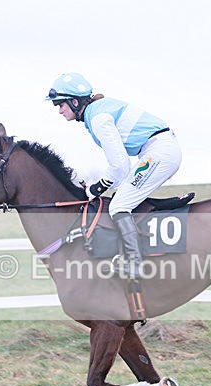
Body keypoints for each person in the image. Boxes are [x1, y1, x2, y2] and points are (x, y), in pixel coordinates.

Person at [46, 72, 182, 278]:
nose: (59, 111)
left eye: (60, 104)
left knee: (119, 205)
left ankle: (134, 263)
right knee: (125, 195)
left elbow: (120, 166)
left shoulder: (98, 118)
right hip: (158, 150)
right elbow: (120, 171)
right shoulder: (97, 111)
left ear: (74, 101)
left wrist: (95, 188)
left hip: (159, 152)